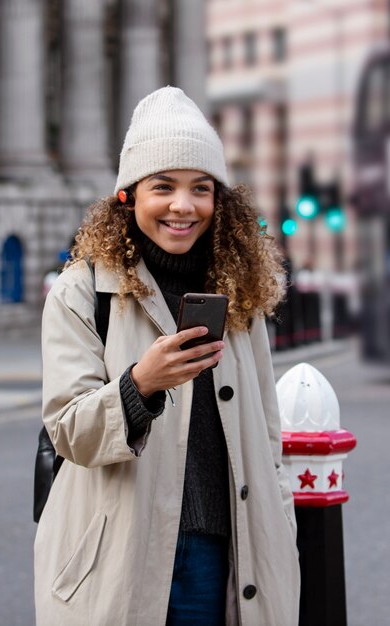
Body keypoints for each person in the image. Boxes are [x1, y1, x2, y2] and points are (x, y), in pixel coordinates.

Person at [34, 86, 300, 626]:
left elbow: (268, 433)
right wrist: (139, 385)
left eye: (201, 188)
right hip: (120, 552)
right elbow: (67, 429)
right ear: (130, 196)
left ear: (218, 201)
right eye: (164, 186)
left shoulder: (241, 293)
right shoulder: (82, 291)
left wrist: (282, 522)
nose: (183, 205)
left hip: (222, 546)